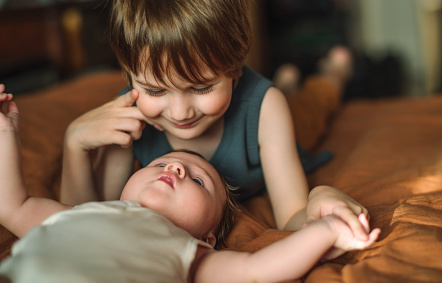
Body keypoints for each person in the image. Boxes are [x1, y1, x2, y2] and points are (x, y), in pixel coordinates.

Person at [60, 0, 372, 240]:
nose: (180, 113)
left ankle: (333, 73)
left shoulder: (265, 109)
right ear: (128, 74)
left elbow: (293, 218)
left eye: (201, 87)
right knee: (286, 94)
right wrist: (75, 144)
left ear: (236, 68)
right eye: (155, 91)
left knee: (312, 107)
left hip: (276, 117)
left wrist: (321, 204)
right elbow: (89, 220)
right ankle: (287, 80)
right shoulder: (128, 118)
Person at [0, 86, 380, 283]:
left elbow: (258, 270)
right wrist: (5, 133)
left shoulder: (188, 254)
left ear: (209, 237)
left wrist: (328, 229)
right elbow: (11, 206)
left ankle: (325, 76)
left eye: (199, 180)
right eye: (162, 162)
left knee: (307, 114)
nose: (176, 169)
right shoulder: (79, 215)